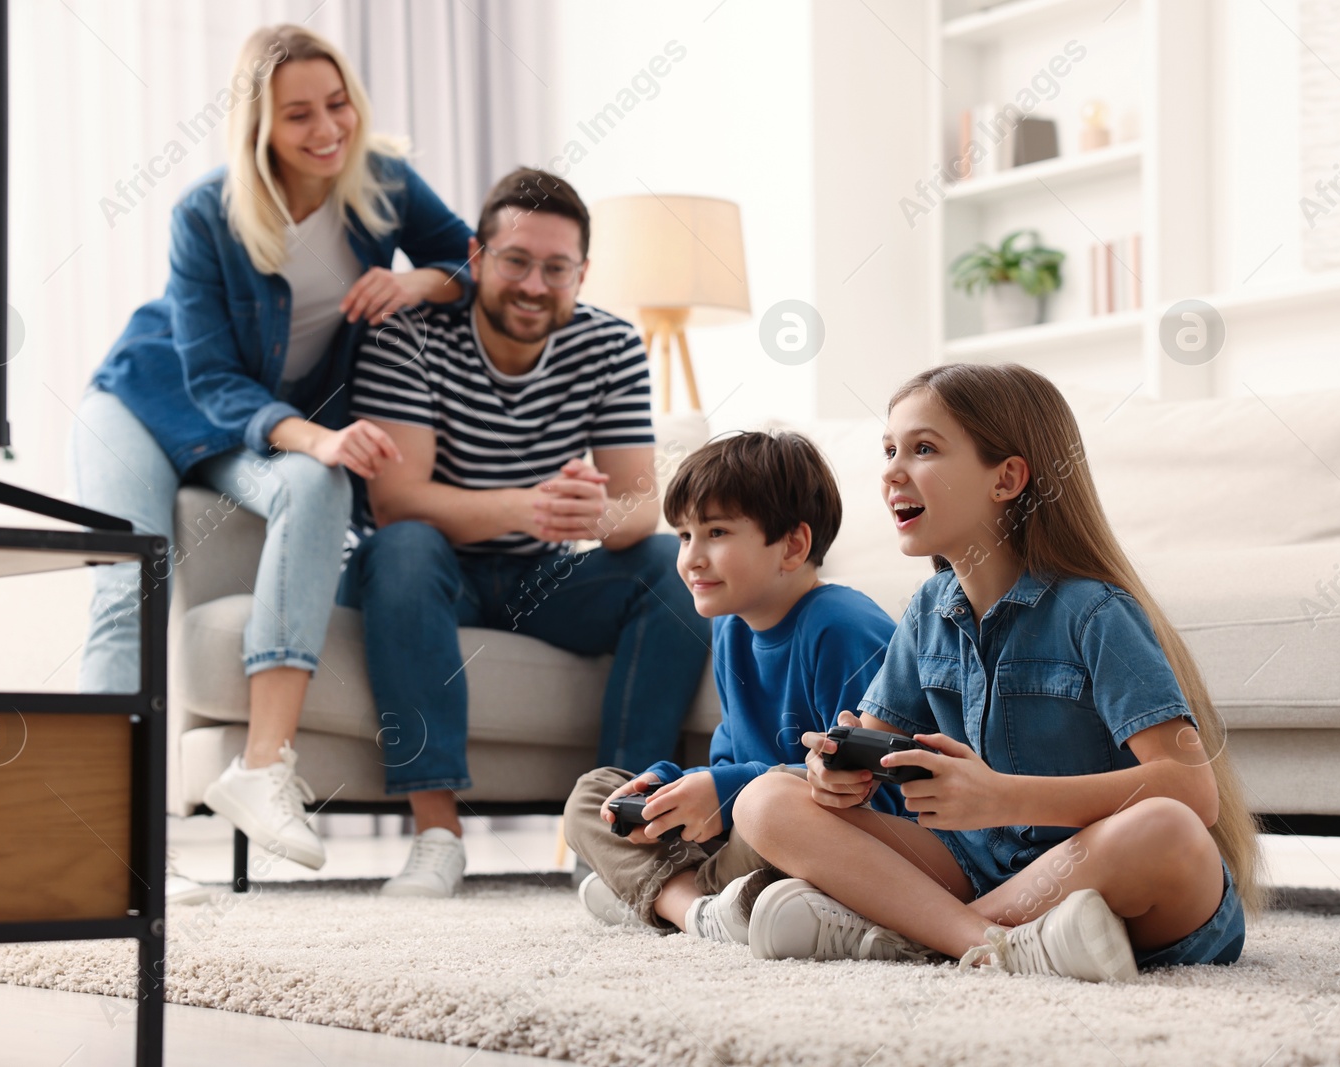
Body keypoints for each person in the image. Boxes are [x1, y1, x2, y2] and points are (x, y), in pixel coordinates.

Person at [73, 24, 475, 874]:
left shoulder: (382, 184)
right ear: (259, 126)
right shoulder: (207, 212)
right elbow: (214, 379)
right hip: (148, 399)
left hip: (252, 422)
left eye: (338, 104)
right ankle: (109, 839)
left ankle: (262, 768)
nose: (327, 129)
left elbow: (468, 258)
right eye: (300, 115)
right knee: (127, 586)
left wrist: (414, 281)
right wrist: (316, 434)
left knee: (317, 483)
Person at [730, 362, 1264, 980]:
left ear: (1007, 478)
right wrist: (833, 774)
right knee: (766, 799)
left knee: (1165, 827)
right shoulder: (929, 609)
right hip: (977, 868)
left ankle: (922, 932)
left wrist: (1002, 797)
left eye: (923, 449)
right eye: (889, 450)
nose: (892, 471)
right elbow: (867, 749)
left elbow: (1194, 792)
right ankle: (980, 938)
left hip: (1106, 878)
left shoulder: (1094, 612)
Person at [339, 167, 711, 898]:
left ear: (582, 272)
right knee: (406, 547)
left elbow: (639, 503)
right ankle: (437, 835)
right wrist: (525, 506)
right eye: (515, 261)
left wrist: (590, 516)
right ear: (476, 258)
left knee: (671, 562)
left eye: (556, 267)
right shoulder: (409, 336)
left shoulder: (608, 343)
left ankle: (611, 829)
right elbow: (398, 501)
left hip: (538, 577)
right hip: (428, 569)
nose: (535, 284)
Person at [561, 432, 907, 944]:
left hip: (822, 831)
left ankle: (659, 897)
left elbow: (872, 795)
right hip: (742, 835)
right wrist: (678, 785)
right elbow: (731, 765)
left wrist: (729, 792)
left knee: (760, 821)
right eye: (683, 536)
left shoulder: (842, 627)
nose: (691, 558)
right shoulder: (730, 625)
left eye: (716, 532)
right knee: (593, 797)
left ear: (793, 546)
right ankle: (700, 908)